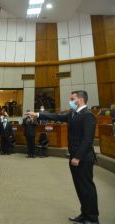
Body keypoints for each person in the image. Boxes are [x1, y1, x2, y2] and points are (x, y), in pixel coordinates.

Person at [27, 90, 99, 224]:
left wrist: (77, 157)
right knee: (80, 188)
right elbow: (57, 116)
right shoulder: (73, 113)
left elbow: (87, 140)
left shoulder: (88, 115)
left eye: (72, 99)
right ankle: (85, 214)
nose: (70, 101)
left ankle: (93, 218)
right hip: (74, 158)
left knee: (87, 188)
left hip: (82, 159)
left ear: (81, 100)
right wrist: (37, 114)